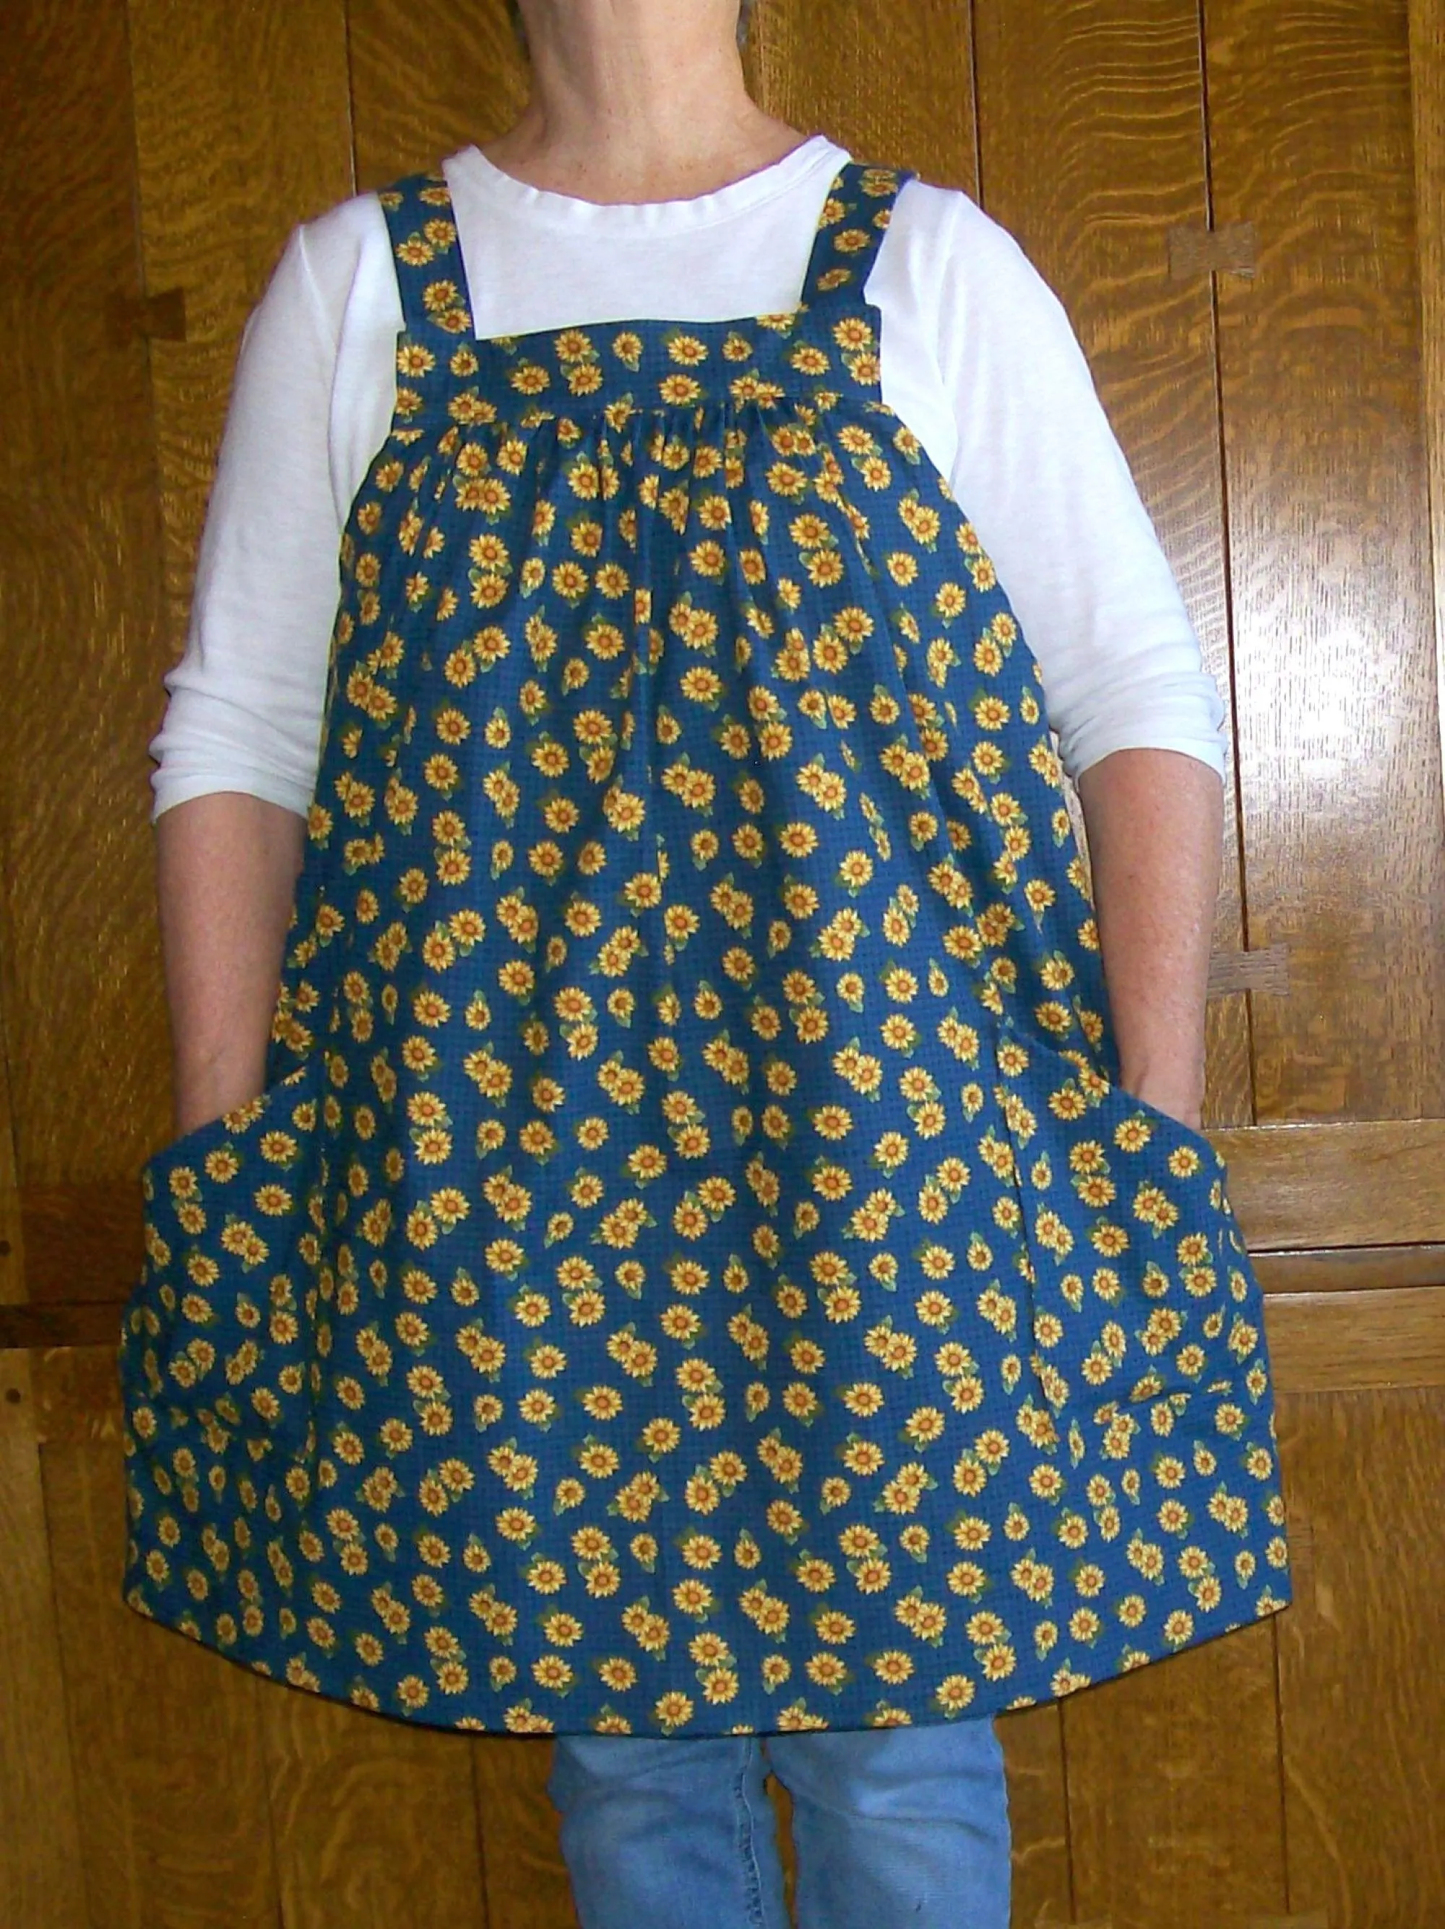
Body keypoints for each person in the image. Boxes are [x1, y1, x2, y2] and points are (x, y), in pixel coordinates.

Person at [128, 3, 1289, 1926]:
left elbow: (1132, 691)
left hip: (885, 1148)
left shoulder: (922, 263)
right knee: (624, 1753)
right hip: (505, 1159)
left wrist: (1142, 1117)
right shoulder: (360, 286)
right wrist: (229, 1148)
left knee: (897, 1743)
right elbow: (245, 733)